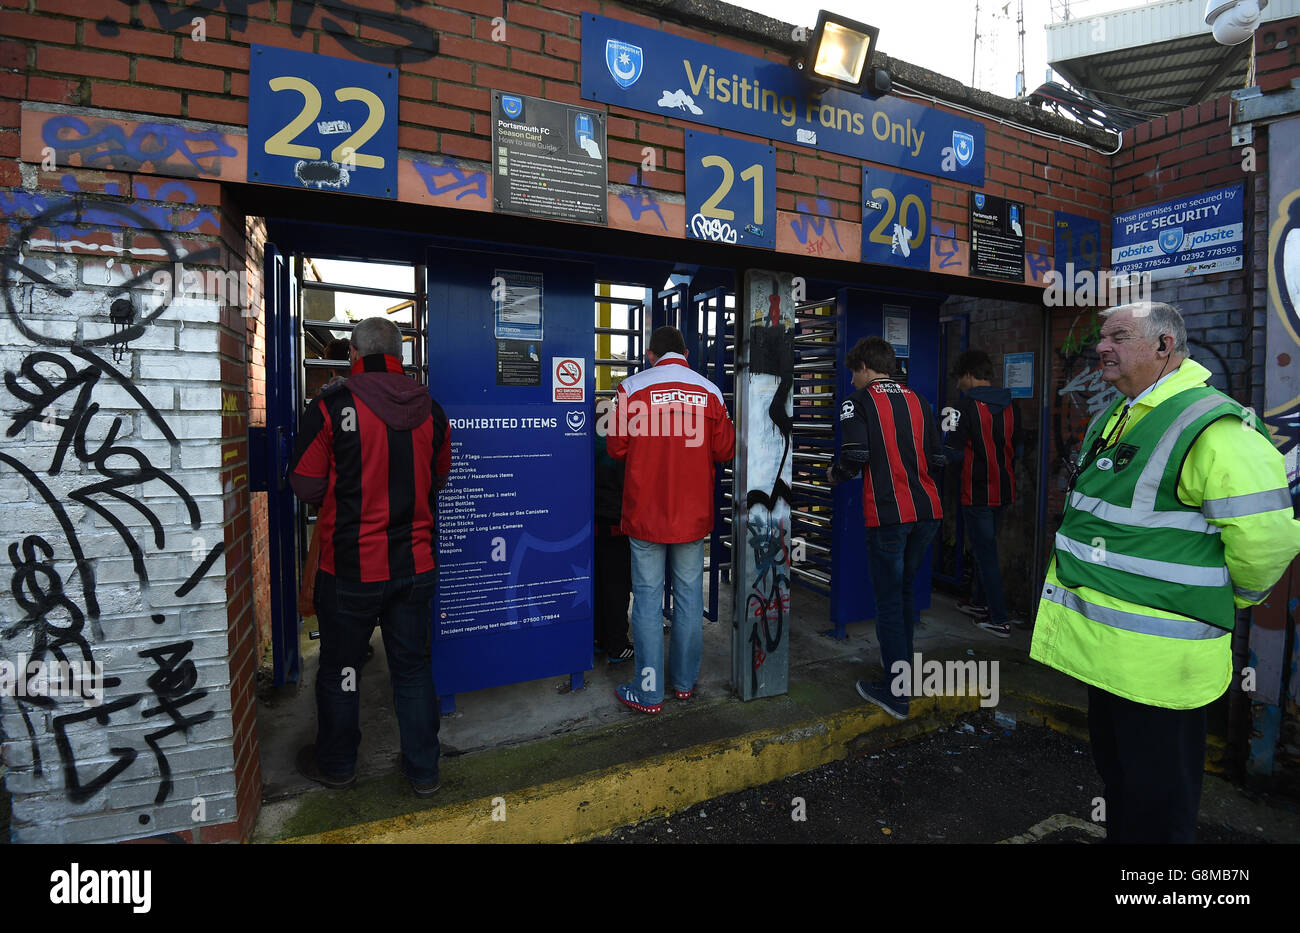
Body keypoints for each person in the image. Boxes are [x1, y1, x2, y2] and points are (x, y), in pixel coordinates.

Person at [1031, 301, 1300, 843]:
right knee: (1125, 791)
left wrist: (1233, 597)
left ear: (1163, 347)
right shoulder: (1119, 414)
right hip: (1109, 659)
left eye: (1118, 336)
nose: (1101, 346)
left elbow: (1268, 538)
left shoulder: (1214, 425)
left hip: (1163, 668)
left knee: (1159, 810)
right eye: (1101, 337)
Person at [289, 316, 451, 797]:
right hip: (416, 568)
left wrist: (342, 494)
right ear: (399, 356)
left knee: (341, 666)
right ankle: (424, 770)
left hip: (349, 572)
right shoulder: (432, 410)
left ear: (355, 355)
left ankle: (338, 764)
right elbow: (436, 479)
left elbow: (303, 482)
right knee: (413, 668)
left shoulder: (331, 405)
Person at [607, 326, 735, 714]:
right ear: (685, 354)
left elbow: (615, 447)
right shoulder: (710, 391)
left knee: (646, 601)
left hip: (645, 515)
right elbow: (725, 449)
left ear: (650, 355)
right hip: (692, 519)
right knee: (689, 598)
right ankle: (683, 683)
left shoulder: (631, 389)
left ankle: (648, 692)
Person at [827, 336, 944, 720]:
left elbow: (856, 455)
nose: (852, 381)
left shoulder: (856, 402)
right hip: (927, 512)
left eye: (853, 373)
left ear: (863, 367)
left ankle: (896, 692)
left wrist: (834, 474)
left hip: (890, 515)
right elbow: (938, 457)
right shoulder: (918, 399)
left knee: (890, 604)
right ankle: (904, 675)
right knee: (905, 595)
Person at [942, 348, 1023, 638]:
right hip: (1004, 489)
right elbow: (1020, 448)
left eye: (958, 378)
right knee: (984, 549)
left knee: (986, 553)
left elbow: (950, 452)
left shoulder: (960, 406)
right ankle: (979, 602)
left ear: (968, 375)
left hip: (975, 492)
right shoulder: (1013, 404)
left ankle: (999, 619)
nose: (957, 385)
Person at [594, 398, 634, 663]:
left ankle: (598, 638)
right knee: (618, 586)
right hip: (616, 522)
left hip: (592, 522)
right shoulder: (618, 447)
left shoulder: (583, 442)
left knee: (597, 582)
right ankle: (618, 644)